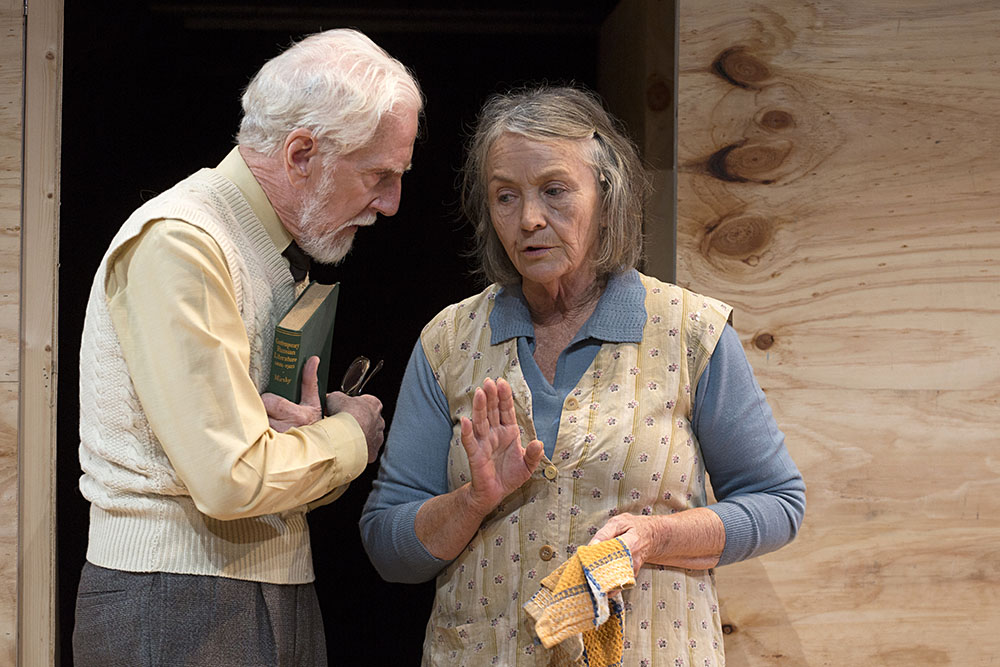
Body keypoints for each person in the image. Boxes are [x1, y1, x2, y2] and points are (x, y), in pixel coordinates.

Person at [360, 86, 805, 666]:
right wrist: (472, 501)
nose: (529, 220)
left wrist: (656, 537)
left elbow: (777, 502)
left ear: (608, 193)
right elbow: (388, 547)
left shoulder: (688, 331)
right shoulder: (448, 341)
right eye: (505, 197)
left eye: (554, 190)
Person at [73, 29, 422, 666]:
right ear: (300, 154)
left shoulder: (260, 247)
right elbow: (231, 479)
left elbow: (248, 465)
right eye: (379, 174)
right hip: (180, 602)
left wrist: (305, 437)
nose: (391, 203)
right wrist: (350, 436)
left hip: (252, 589)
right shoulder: (183, 242)